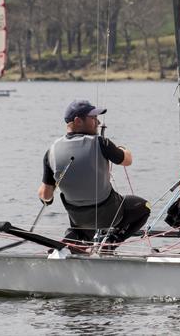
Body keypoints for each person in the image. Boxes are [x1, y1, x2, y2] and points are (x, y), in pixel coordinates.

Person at [38, 99, 150, 250]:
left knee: (82, 225)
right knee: (144, 207)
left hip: (79, 218)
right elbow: (127, 160)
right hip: (108, 215)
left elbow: (46, 196)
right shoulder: (101, 143)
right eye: (93, 118)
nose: (97, 122)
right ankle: (112, 241)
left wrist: (47, 197)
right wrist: (122, 148)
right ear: (78, 121)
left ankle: (75, 239)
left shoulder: (51, 151)